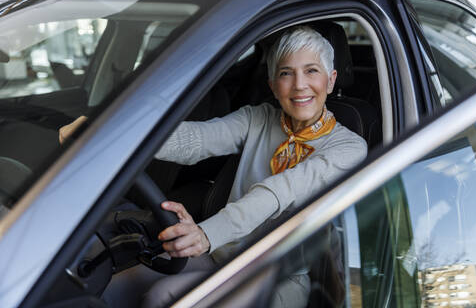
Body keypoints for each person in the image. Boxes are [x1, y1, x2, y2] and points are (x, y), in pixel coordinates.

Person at [59, 26, 367, 308]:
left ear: (331, 79)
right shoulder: (257, 118)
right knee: (110, 289)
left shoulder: (350, 147)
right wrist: (110, 132)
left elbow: (277, 192)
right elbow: (193, 141)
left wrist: (206, 234)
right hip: (222, 253)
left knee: (160, 299)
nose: (299, 85)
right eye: (287, 73)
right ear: (273, 85)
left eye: (311, 71)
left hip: (279, 273)